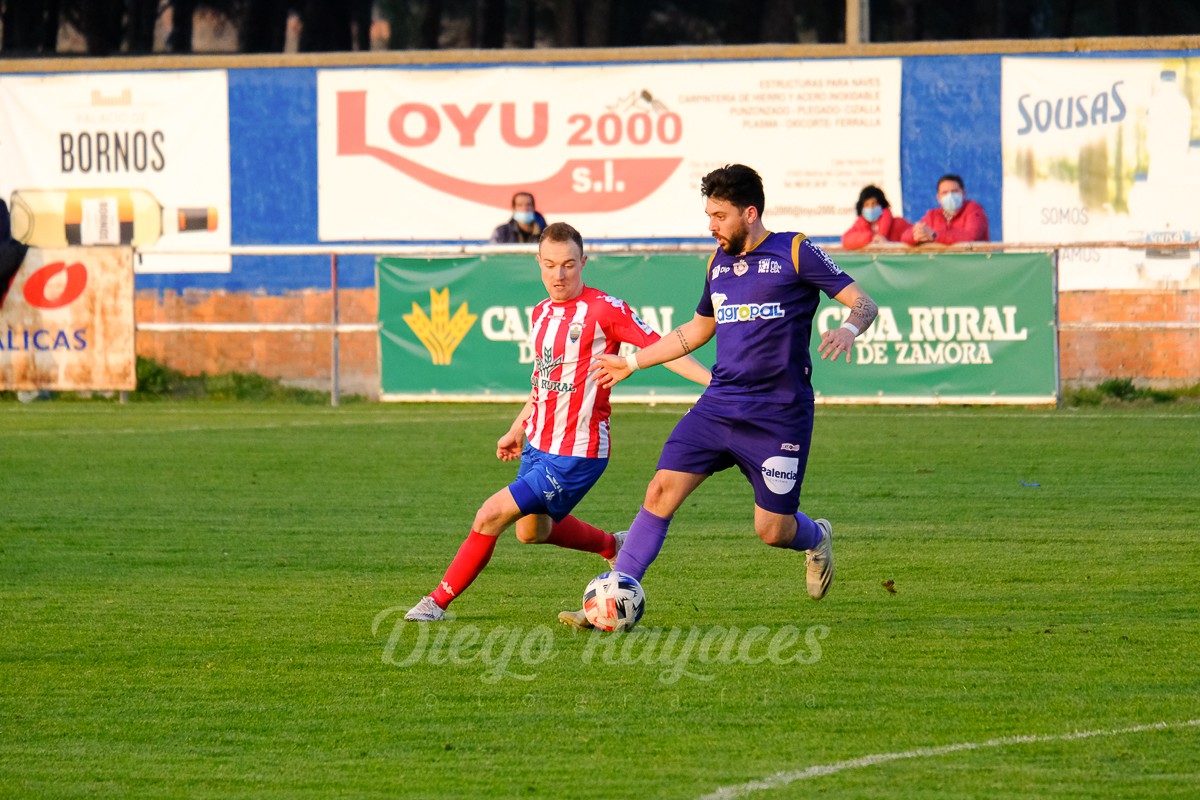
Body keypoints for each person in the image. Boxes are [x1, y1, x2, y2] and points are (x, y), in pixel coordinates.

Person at [559, 164, 878, 629]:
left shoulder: (795, 250)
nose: (711, 225)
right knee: (659, 491)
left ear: (750, 213)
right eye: (709, 214)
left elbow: (864, 303)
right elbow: (696, 330)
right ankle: (608, 602)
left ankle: (816, 537)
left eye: (720, 216)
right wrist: (633, 362)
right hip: (719, 404)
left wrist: (849, 329)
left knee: (773, 530)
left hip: (778, 416)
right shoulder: (718, 263)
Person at [404, 222, 711, 621]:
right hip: (538, 444)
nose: (559, 275)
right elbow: (543, 382)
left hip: (576, 452)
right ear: (539, 263)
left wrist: (714, 382)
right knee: (532, 531)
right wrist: (517, 428)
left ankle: (436, 602)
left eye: (568, 264)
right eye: (550, 265)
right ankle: (612, 545)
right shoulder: (541, 312)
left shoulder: (604, 309)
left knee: (490, 514)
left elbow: (663, 347)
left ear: (583, 262)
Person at [901, 173, 990, 246]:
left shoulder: (974, 210)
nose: (950, 196)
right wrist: (916, 235)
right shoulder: (933, 215)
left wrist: (934, 236)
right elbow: (905, 237)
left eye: (955, 191)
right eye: (945, 193)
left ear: (963, 193)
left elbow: (970, 237)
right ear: (938, 198)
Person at [841, 185, 911, 249]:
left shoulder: (898, 224)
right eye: (867, 205)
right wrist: (871, 237)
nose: (871, 207)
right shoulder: (859, 226)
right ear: (861, 208)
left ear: (882, 205)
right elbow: (846, 240)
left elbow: (912, 234)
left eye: (874, 203)